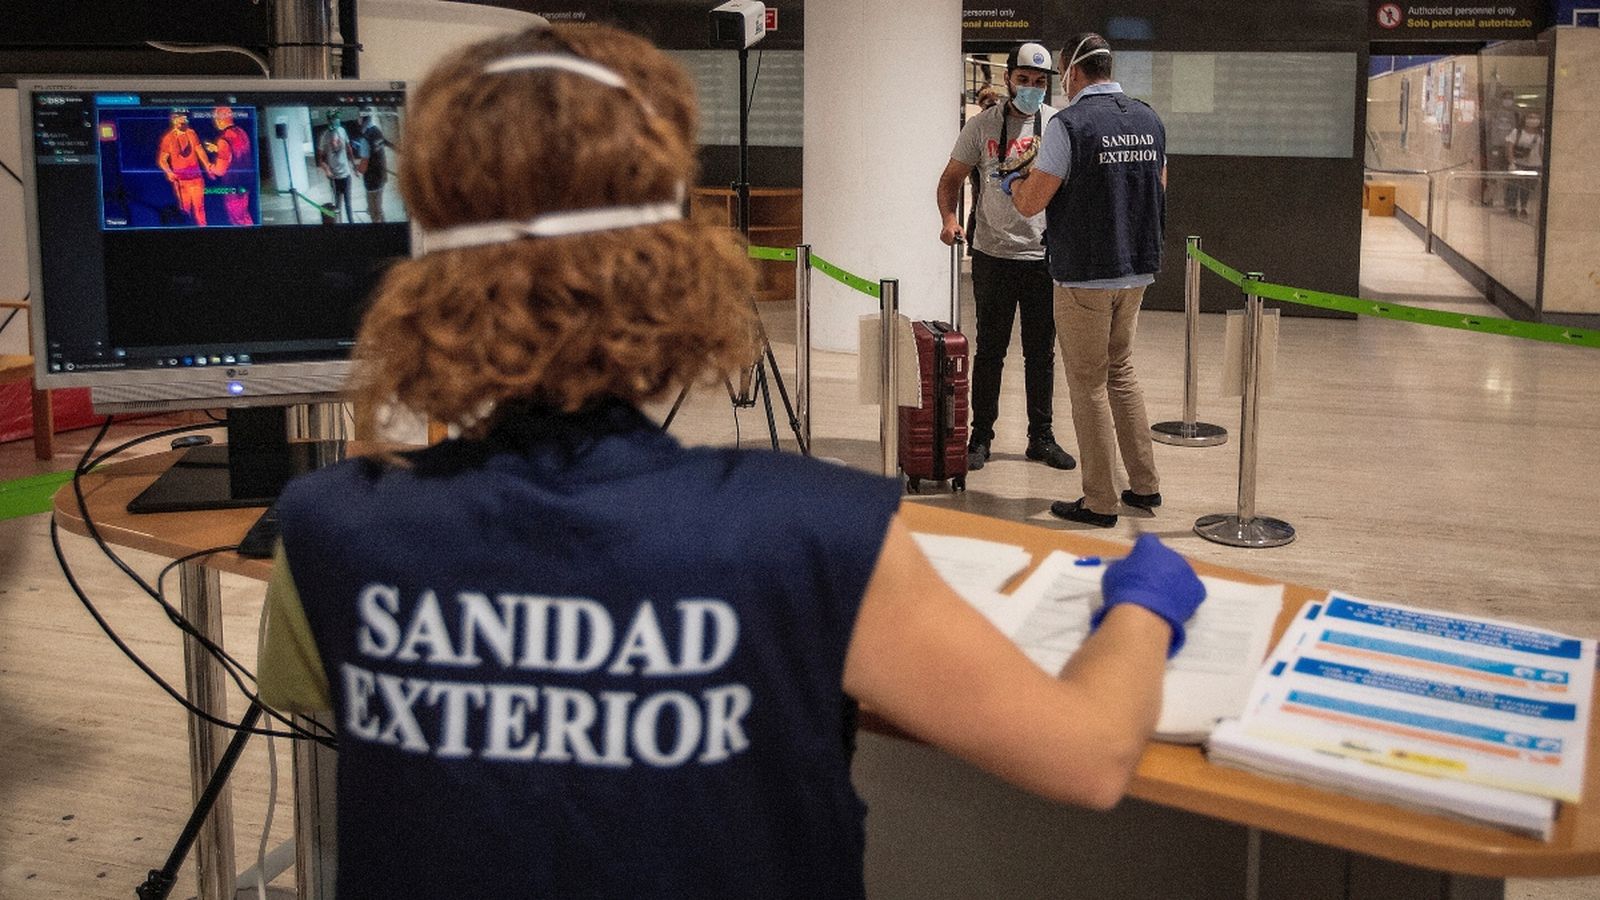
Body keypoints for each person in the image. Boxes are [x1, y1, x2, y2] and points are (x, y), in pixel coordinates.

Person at [256, 24, 1206, 899]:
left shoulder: (331, 528)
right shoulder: (815, 532)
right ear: (675, 254)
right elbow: (1086, 758)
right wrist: (1147, 597)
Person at [1007, 32, 1165, 529]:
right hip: (1137, 268)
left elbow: (1032, 203)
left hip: (1085, 275)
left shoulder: (1068, 126)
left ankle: (1099, 501)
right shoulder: (1149, 119)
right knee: (1121, 373)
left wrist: (1014, 181)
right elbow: (1157, 188)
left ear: (1073, 71)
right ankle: (1144, 486)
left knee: (1088, 384)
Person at [936, 41, 1076, 473]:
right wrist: (948, 218)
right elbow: (951, 179)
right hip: (992, 256)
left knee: (1041, 353)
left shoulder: (1057, 125)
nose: (1031, 88)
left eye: (1039, 82)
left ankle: (1042, 437)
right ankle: (981, 436)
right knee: (990, 352)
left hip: (1043, 259)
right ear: (1007, 79)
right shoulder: (981, 127)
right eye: (1024, 80)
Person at [156, 109, 210, 226]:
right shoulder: (168, 138)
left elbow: (199, 150)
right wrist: (169, 172)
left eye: (185, 119)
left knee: (200, 208)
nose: (185, 121)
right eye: (182, 119)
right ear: (175, 121)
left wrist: (208, 166)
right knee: (185, 211)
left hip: (196, 178)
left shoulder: (191, 133)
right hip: (181, 181)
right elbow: (162, 159)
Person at [204, 106, 255, 226]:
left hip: (232, 187)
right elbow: (237, 151)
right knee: (244, 216)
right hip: (245, 183)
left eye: (215, 119)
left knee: (238, 220)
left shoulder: (223, 139)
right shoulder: (241, 132)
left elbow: (220, 171)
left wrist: (209, 166)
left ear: (219, 120)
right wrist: (217, 149)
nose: (215, 122)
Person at [316, 109, 356, 223]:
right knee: (337, 207)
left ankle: (352, 225)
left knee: (348, 205)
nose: (337, 120)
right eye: (334, 118)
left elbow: (349, 148)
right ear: (330, 120)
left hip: (346, 175)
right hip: (334, 178)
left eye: (338, 118)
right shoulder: (324, 136)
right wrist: (326, 169)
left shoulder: (342, 130)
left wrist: (353, 165)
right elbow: (320, 160)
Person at [1505, 110, 1544, 219]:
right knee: (1514, 186)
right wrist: (1511, 162)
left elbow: (1542, 150)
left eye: (1536, 117)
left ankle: (1524, 207)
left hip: (1534, 164)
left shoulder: (1541, 134)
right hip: (1518, 164)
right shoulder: (1517, 132)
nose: (1533, 120)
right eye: (1530, 117)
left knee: (1527, 188)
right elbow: (1510, 147)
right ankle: (1512, 207)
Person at [354, 108, 391, 223]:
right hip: (381, 176)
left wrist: (356, 168)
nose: (357, 120)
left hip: (372, 181)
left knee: (374, 211)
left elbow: (363, 167)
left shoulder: (365, 139)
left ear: (362, 119)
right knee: (379, 209)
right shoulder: (377, 131)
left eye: (359, 117)